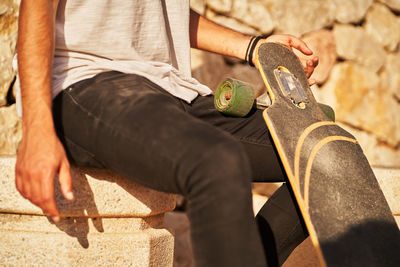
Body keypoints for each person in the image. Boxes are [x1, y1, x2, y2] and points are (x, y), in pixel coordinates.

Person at [15, 0, 318, 266]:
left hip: (172, 88)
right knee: (216, 161)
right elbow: (36, 6)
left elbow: (157, 14)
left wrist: (254, 48)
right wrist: (36, 127)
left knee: (324, 152)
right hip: (87, 80)